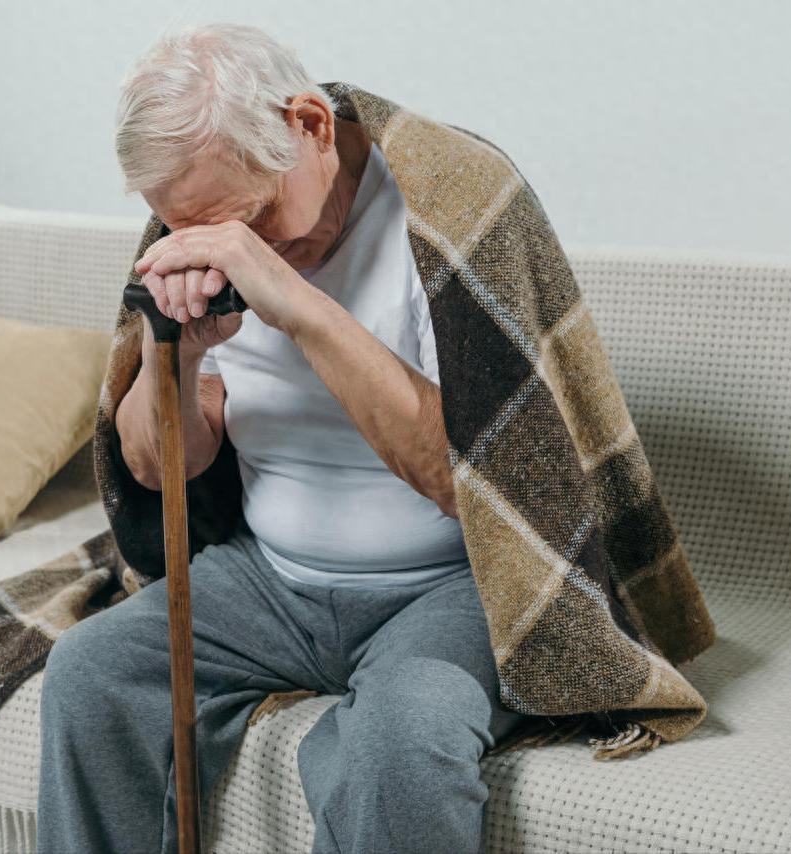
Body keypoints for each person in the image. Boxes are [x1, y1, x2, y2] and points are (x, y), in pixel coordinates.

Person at [37, 22, 535, 854]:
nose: (239, 252)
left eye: (257, 218)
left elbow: (471, 478)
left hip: (449, 586)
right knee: (89, 676)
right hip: (269, 580)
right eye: (198, 232)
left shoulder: (448, 203)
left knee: (403, 739)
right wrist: (179, 357)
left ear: (307, 124)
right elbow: (156, 470)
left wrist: (293, 303)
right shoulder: (194, 226)